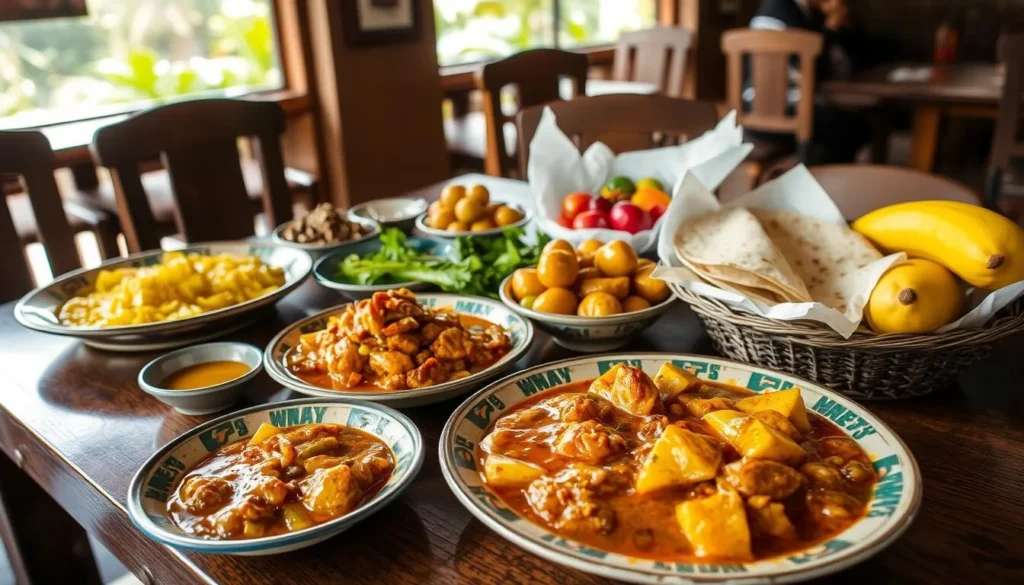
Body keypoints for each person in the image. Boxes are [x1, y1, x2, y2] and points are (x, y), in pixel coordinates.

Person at [746, 0, 871, 164]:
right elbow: (819, 71)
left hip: (751, 111)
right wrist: (832, 28)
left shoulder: (793, 11)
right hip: (783, 113)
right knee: (854, 127)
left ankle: (820, 175)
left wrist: (839, 26)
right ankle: (827, 180)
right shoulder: (785, 13)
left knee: (851, 125)